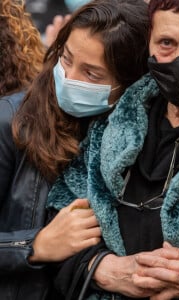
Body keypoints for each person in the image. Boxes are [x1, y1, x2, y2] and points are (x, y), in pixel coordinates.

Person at [47, 0, 179, 298]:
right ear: (149, 41)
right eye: (166, 43)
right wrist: (101, 267)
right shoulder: (109, 120)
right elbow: (60, 219)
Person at [0, 0, 149, 299]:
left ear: (130, 82)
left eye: (92, 75)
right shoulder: (11, 122)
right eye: (66, 59)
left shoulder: (141, 139)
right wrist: (35, 245)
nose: (69, 79)